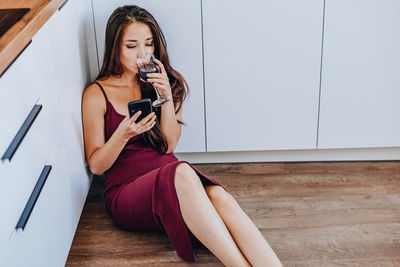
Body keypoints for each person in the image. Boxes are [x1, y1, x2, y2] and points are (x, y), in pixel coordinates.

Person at [81, 5, 282, 266]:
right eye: (131, 46)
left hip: (174, 178)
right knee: (184, 171)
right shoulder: (96, 94)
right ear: (115, 47)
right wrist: (123, 133)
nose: (142, 54)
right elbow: (97, 166)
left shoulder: (168, 82)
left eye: (148, 44)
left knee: (218, 196)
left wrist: (164, 96)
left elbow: (168, 146)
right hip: (127, 191)